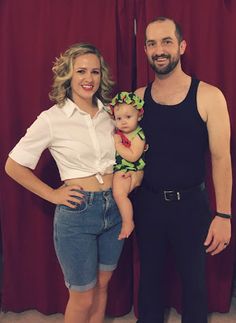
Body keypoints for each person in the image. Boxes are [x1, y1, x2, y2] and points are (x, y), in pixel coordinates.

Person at [5, 43, 141, 323]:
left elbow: (129, 156)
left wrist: (134, 178)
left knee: (103, 287)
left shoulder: (110, 115)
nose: (88, 78)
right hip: (78, 213)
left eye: (94, 71)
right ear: (67, 74)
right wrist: (52, 194)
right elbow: (13, 165)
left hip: (115, 209)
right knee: (83, 296)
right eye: (80, 71)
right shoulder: (52, 119)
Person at [134, 17, 232, 323]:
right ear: (146, 50)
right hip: (148, 205)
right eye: (152, 43)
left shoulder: (209, 96)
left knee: (195, 288)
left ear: (181, 46)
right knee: (148, 285)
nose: (159, 50)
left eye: (166, 42)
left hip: (192, 206)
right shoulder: (137, 99)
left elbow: (221, 159)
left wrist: (224, 215)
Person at [107, 91, 146, 240]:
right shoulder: (121, 131)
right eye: (119, 118)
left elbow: (133, 155)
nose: (123, 122)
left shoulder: (138, 135)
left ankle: (128, 222)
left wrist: (117, 144)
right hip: (120, 168)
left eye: (128, 117)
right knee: (117, 194)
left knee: (119, 194)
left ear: (139, 116)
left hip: (129, 169)